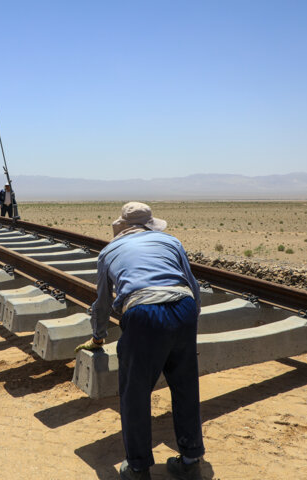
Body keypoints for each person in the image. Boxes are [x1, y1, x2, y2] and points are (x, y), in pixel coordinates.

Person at [75, 202, 205, 480]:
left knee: (135, 393)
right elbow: (192, 285)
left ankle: (137, 467)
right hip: (183, 305)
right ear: (150, 224)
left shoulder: (109, 251)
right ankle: (192, 460)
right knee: (185, 385)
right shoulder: (171, 242)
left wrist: (98, 337)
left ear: (122, 226)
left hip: (144, 312)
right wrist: (188, 322)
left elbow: (102, 304)